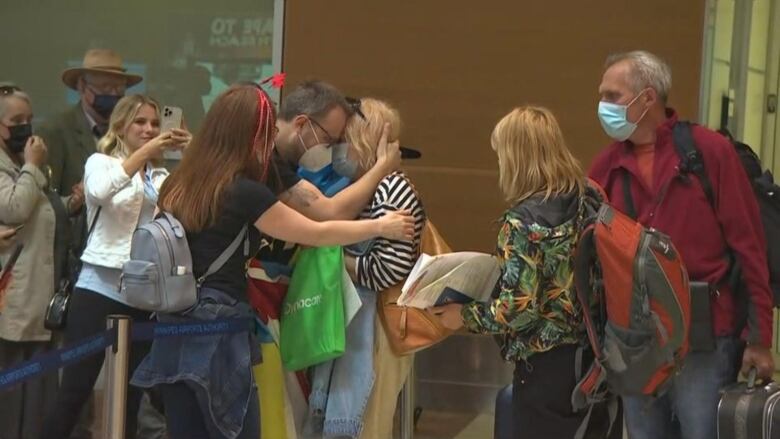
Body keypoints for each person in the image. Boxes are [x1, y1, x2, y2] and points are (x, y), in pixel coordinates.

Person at [131, 84, 415, 439]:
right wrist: (380, 225)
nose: (269, 147)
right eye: (265, 136)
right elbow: (314, 231)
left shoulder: (176, 183)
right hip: (221, 324)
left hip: (171, 324)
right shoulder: (245, 191)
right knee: (234, 428)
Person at [588, 50, 774, 439]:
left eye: (613, 95)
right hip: (636, 341)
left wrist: (760, 339)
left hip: (705, 339)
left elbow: (750, 247)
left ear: (647, 97)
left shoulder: (709, 153)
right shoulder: (604, 169)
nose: (603, 106)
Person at [434, 106, 609, 439]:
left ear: (516, 157)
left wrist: (465, 316)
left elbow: (518, 310)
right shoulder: (589, 199)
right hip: (593, 356)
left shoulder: (523, 222)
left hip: (545, 368)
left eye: (501, 155)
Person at [40, 94, 191, 439]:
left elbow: (193, 204)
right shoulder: (101, 162)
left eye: (155, 123)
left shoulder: (163, 176)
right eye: (140, 122)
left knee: (131, 398)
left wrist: (190, 149)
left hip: (144, 292)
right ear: (121, 126)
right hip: (98, 287)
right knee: (74, 390)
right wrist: (144, 154)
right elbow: (98, 191)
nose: (150, 128)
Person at [303, 98, 427, 439]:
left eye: (343, 138)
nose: (335, 147)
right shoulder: (364, 188)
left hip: (376, 333)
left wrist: (328, 256)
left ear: (361, 139)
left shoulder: (393, 188)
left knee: (364, 427)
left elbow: (388, 269)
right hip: (358, 325)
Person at [0, 83, 82, 439]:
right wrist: (34, 167)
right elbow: (14, 207)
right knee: (16, 388)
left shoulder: (23, 162)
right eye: (17, 120)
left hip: (41, 291)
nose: (27, 128)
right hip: (16, 291)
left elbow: (41, 213)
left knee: (40, 389)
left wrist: (71, 203)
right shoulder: (16, 165)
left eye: (30, 119)